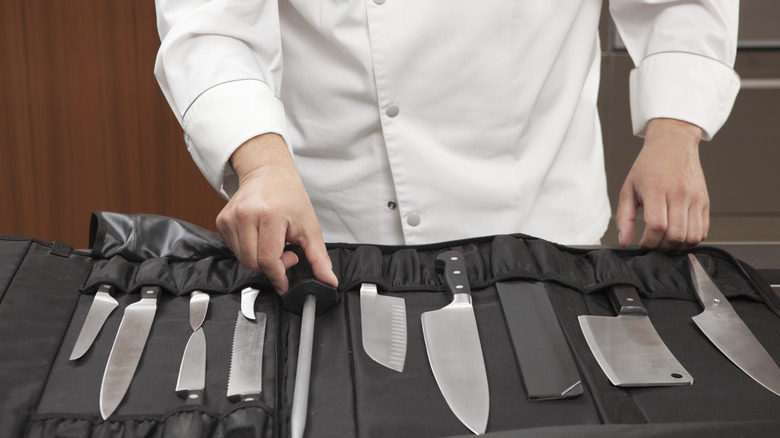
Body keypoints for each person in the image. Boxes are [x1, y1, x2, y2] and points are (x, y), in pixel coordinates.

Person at [153, 1, 740, 295]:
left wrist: (674, 130)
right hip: (332, 220)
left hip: (536, 209)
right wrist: (261, 162)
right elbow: (212, 24)